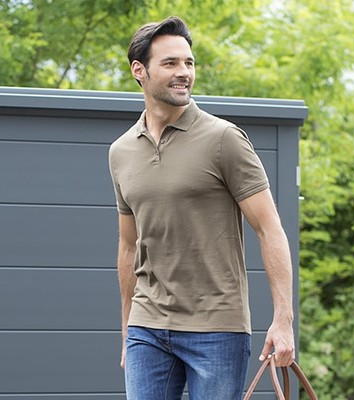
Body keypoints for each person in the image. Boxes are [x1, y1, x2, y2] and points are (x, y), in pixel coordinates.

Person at [109, 16, 295, 400]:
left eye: (189, 63)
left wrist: (283, 319)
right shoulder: (121, 152)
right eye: (170, 63)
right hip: (147, 326)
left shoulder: (224, 139)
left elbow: (269, 228)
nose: (184, 72)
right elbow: (128, 245)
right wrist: (127, 327)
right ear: (139, 70)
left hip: (217, 328)